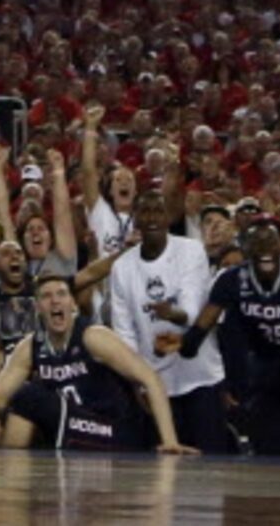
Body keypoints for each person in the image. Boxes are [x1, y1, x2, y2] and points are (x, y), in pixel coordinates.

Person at [0, 271, 194, 455]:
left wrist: (170, 442)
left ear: (72, 303)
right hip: (71, 431)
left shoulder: (93, 337)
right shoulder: (30, 347)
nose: (55, 301)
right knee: (22, 397)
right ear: (38, 308)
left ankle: (6, 479)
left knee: (29, 397)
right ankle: (8, 479)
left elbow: (150, 378)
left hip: (114, 433)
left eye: (61, 294)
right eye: (46, 296)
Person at [180, 213, 280, 458]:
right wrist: (182, 344)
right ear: (247, 249)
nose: (264, 248)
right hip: (266, 363)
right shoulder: (231, 281)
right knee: (272, 444)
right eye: (257, 243)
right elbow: (201, 329)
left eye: (270, 242)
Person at [100, 180, 230, 455]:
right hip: (156, 384)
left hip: (200, 378)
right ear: (134, 217)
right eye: (144, 211)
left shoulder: (191, 250)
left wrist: (173, 314)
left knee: (211, 467)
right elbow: (125, 333)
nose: (151, 218)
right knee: (163, 471)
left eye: (158, 211)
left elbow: (193, 309)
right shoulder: (122, 267)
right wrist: (139, 381)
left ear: (169, 216)